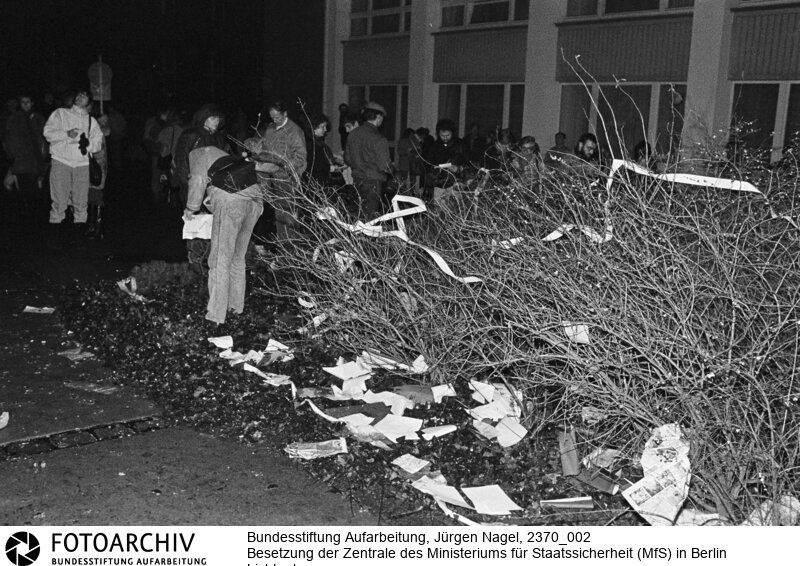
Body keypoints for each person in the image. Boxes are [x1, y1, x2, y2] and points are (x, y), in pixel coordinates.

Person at [184, 146, 263, 325]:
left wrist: (191, 207)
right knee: (237, 257)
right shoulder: (223, 157)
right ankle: (235, 307)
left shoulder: (197, 155)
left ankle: (216, 315)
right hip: (256, 199)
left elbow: (197, 179)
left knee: (219, 260)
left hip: (231, 199)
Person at [43, 89, 103, 249]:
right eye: (79, 95)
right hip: (61, 162)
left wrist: (88, 144)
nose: (81, 97)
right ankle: (55, 239)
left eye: (85, 95)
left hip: (82, 165)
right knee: (59, 200)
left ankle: (78, 239)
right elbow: (48, 133)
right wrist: (66, 134)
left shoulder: (91, 121)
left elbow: (98, 144)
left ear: (89, 102)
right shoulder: (60, 114)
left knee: (81, 201)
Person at [244, 100, 306, 241]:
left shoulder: (294, 131)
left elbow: (300, 158)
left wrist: (281, 165)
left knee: (288, 214)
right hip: (270, 176)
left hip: (287, 178)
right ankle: (280, 246)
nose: (274, 120)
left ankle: (291, 248)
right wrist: (258, 152)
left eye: (277, 117)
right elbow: (267, 151)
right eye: (272, 118)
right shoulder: (271, 129)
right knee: (277, 215)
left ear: (285, 114)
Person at [173, 103, 229, 207]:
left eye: (218, 119)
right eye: (213, 118)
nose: (216, 121)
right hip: (194, 186)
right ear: (203, 118)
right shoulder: (190, 135)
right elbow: (182, 163)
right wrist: (190, 187)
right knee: (195, 219)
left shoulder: (218, 137)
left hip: (213, 188)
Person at [344, 101, 391, 218]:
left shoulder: (353, 134)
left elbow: (347, 159)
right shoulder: (379, 138)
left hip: (357, 179)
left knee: (358, 213)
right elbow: (384, 166)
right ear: (379, 117)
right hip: (373, 182)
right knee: (371, 216)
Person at [4, 94, 48, 214]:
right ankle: (25, 213)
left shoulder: (38, 118)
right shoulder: (14, 118)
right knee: (22, 189)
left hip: (35, 159)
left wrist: (44, 156)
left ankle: (34, 214)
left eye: (27, 102)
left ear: (32, 103)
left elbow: (44, 137)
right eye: (23, 102)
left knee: (35, 189)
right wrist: (12, 156)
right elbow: (9, 139)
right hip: (20, 161)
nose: (25, 104)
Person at [423, 118, 468, 200]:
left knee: (454, 209)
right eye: (442, 136)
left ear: (452, 133)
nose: (445, 138)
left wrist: (458, 169)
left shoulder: (460, 145)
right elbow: (428, 164)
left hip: (455, 184)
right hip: (439, 184)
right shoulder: (435, 146)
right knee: (438, 208)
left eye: (448, 135)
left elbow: (468, 164)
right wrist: (435, 169)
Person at [304, 113, 339, 186]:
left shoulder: (317, 142)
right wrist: (329, 168)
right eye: (322, 127)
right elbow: (313, 164)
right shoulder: (311, 144)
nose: (325, 129)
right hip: (315, 182)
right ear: (313, 128)